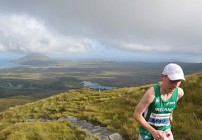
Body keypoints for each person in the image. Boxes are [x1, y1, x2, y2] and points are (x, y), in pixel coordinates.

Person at [133, 63, 185, 140]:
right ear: (162, 76)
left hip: (165, 128)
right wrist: (153, 131)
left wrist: (170, 114)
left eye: (178, 81)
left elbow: (171, 104)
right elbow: (137, 115)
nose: (175, 85)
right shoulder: (151, 94)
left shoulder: (179, 93)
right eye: (172, 80)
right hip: (147, 130)